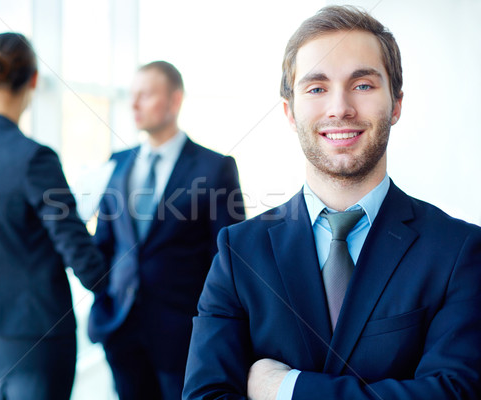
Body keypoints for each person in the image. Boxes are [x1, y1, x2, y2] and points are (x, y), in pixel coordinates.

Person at [183, 6, 481, 400]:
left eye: (362, 85)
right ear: (290, 112)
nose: (339, 108)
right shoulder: (238, 253)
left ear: (396, 104)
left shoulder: (458, 251)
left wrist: (287, 388)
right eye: (316, 88)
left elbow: (454, 394)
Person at [0, 32, 107, 400]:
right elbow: (75, 246)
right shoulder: (35, 157)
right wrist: (114, 283)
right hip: (36, 327)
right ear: (33, 80)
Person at [88, 60, 245, 400]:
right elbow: (104, 242)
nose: (134, 104)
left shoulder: (214, 168)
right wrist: (104, 297)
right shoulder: (117, 162)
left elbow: (227, 259)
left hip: (182, 336)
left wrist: (212, 329)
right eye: (132, 95)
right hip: (120, 329)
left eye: (145, 95)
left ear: (175, 101)